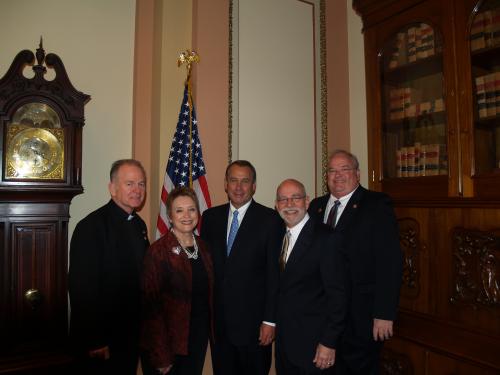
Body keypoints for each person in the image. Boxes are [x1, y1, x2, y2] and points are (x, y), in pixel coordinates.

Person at [308, 150, 403, 375]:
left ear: (357, 174)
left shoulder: (376, 204)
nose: (338, 175)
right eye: (332, 170)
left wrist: (384, 312)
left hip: (361, 317)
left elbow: (390, 261)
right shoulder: (316, 207)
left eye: (345, 169)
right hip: (323, 316)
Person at [200, 160, 282, 375]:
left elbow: (275, 275)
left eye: (245, 181)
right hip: (219, 327)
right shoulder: (209, 218)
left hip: (254, 328)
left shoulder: (271, 220)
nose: (238, 187)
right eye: (233, 181)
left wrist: (270, 321)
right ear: (225, 184)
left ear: (254, 186)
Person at [68, 159, 150, 375]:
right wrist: (96, 341)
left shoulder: (139, 225)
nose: (137, 190)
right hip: (102, 342)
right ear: (112, 188)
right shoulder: (90, 227)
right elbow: (81, 290)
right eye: (130, 183)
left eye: (141, 184)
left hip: (130, 338)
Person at [274, 179, 346, 375]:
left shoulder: (327, 238)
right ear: (276, 205)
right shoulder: (276, 235)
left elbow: (338, 296)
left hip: (314, 347)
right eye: (283, 199)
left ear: (307, 202)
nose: (289, 205)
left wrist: (328, 342)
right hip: (284, 345)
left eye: (295, 198)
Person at [141, 187, 214, 375]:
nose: (187, 215)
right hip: (168, 347)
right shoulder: (158, 251)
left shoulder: (204, 247)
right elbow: (151, 308)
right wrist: (161, 355)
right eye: (179, 210)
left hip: (196, 340)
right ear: (170, 217)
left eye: (191, 209)